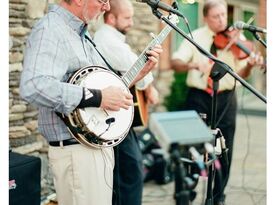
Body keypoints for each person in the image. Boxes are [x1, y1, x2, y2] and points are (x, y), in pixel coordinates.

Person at [19, 0, 162, 205]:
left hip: (94, 147)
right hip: (76, 152)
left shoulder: (82, 35)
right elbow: (34, 86)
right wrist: (98, 97)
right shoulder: (51, 29)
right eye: (102, 0)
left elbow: (105, 85)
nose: (106, 7)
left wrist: (139, 74)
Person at [171, 0, 263, 204]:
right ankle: (187, 190)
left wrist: (249, 65)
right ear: (206, 18)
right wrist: (196, 64)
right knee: (193, 148)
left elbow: (242, 73)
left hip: (226, 99)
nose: (222, 20)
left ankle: (218, 195)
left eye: (223, 15)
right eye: (216, 16)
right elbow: (175, 62)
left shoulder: (236, 39)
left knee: (225, 148)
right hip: (199, 98)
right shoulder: (195, 36)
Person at [93, 0, 160, 205]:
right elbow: (132, 63)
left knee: (129, 171)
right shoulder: (106, 37)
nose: (131, 22)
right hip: (112, 116)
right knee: (130, 172)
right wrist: (148, 86)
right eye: (127, 17)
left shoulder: (114, 38)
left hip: (119, 114)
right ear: (111, 17)